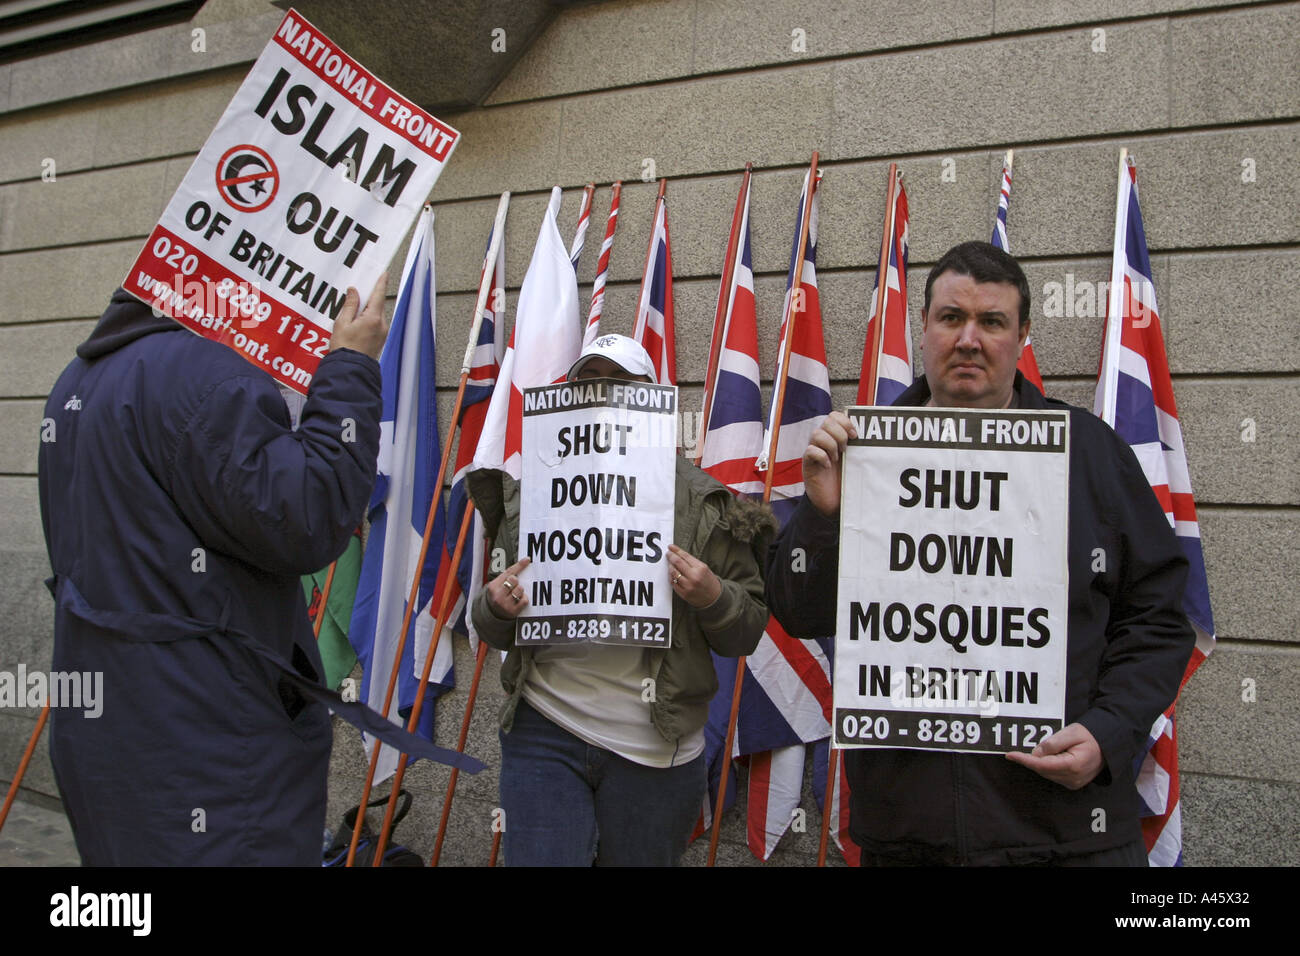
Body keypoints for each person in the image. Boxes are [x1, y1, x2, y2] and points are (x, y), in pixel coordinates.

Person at [766, 241, 1194, 865]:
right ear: (924, 327)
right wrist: (823, 516)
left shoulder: (1091, 453)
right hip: (910, 836)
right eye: (951, 318)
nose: (969, 339)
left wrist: (1107, 733)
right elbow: (797, 611)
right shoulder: (861, 453)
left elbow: (1157, 619)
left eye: (992, 322)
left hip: (1067, 835)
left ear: (1022, 336)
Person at [38, 278, 395, 865]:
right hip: (209, 752)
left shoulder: (78, 380)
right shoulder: (208, 374)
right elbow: (309, 516)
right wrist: (351, 366)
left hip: (115, 740)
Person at [468, 334, 773, 866]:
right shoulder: (532, 493)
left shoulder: (706, 504)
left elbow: (745, 632)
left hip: (654, 748)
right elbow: (491, 623)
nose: (602, 399)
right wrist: (494, 606)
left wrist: (712, 597)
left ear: (649, 398)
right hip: (544, 728)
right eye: (588, 386)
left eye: (619, 386)